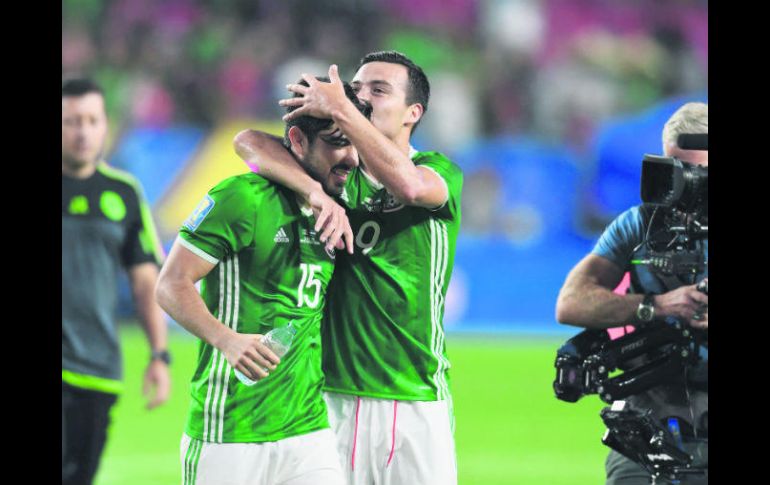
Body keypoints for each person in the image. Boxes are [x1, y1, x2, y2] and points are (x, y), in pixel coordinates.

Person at [234, 50, 463, 485]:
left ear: (413, 112)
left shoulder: (437, 172)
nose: (360, 96)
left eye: (378, 90)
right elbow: (248, 141)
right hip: (330, 396)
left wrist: (339, 106)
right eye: (355, 88)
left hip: (413, 395)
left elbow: (410, 187)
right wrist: (314, 193)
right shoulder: (337, 177)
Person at [156, 80, 370, 485]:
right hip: (231, 429)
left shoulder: (342, 202)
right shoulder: (243, 198)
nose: (352, 158)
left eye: (355, 142)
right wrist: (227, 339)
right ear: (296, 140)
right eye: (337, 142)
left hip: (308, 428)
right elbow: (171, 283)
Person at [556, 102, 708, 485]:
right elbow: (571, 302)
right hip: (650, 427)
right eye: (679, 170)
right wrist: (657, 305)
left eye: (700, 173)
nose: (689, 184)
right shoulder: (640, 224)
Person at [62, 77, 171, 485]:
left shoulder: (123, 194)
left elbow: (146, 283)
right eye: (72, 121)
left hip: (98, 366)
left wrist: (159, 355)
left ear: (105, 125)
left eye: (91, 120)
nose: (83, 131)